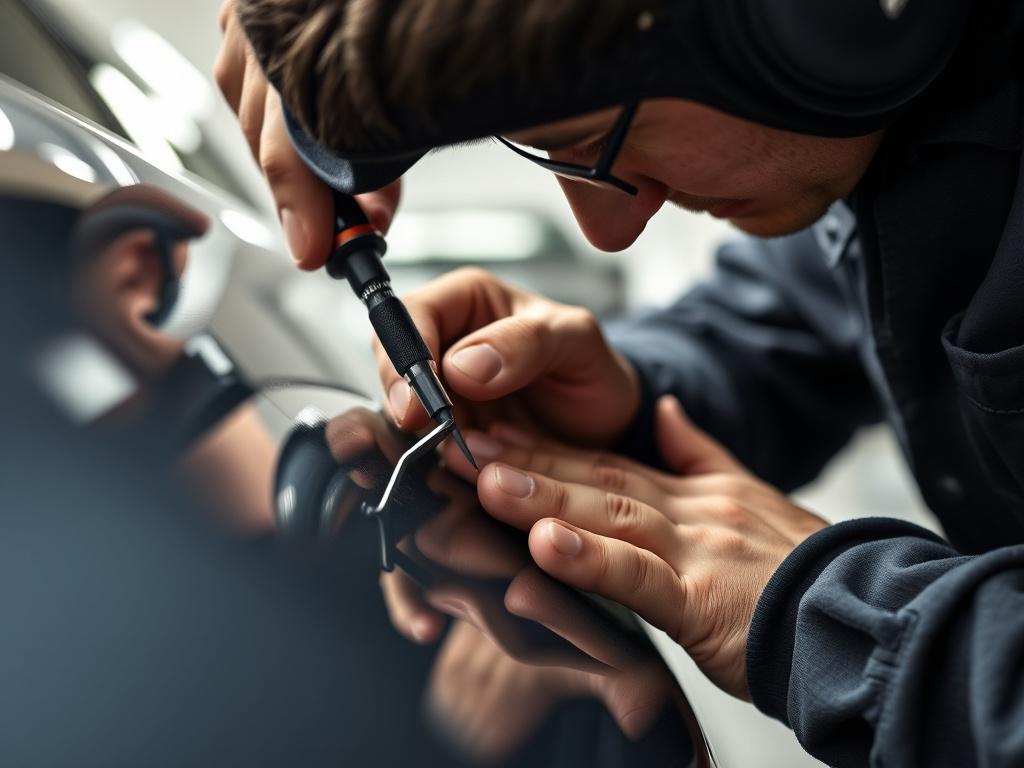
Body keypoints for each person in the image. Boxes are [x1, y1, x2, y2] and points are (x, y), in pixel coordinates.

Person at [215, 1, 1024, 765]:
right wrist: (628, 407)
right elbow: (815, 307)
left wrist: (830, 620)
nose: (606, 229)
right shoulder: (863, 124)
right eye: (541, 149)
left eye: (598, 137)